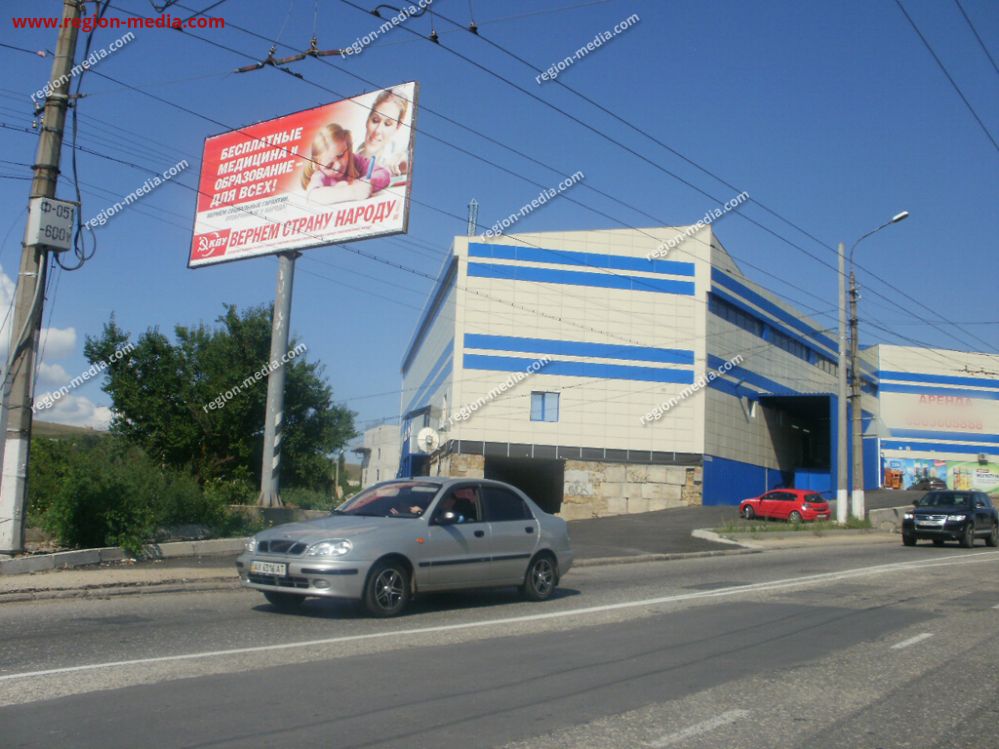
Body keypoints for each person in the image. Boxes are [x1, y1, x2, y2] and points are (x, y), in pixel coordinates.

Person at [300, 123, 391, 204]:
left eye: (340, 156)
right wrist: (351, 192)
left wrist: (369, 182)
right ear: (317, 166)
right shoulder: (320, 175)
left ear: (347, 147)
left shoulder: (354, 160)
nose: (338, 166)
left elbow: (384, 173)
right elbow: (312, 196)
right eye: (329, 166)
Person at [356, 89, 410, 177]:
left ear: (397, 127)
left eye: (387, 124)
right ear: (367, 119)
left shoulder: (396, 160)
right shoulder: (350, 152)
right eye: (375, 120)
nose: (377, 130)